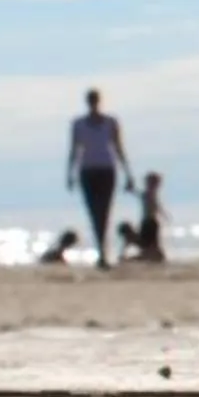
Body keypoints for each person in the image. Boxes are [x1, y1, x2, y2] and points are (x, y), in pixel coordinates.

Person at [64, 89, 133, 268]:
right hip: (87, 170)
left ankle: (102, 252)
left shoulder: (110, 122)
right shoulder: (78, 124)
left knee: (105, 211)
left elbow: (118, 147)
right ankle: (101, 252)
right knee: (94, 212)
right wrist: (69, 174)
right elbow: (74, 150)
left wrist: (128, 173)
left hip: (107, 169)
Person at [116, 172, 169, 264]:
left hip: (153, 222)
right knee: (149, 248)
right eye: (153, 184)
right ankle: (130, 258)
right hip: (148, 223)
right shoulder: (147, 194)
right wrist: (130, 189)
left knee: (153, 250)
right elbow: (138, 194)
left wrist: (163, 214)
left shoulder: (153, 195)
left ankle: (133, 258)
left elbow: (157, 206)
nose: (156, 187)